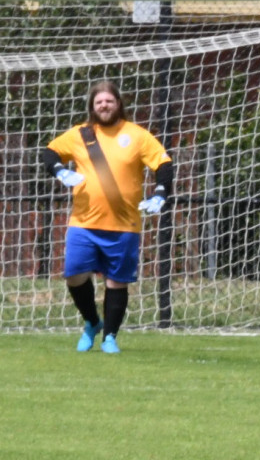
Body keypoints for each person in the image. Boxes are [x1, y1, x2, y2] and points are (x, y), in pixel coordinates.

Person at [41, 79, 171, 355]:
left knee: (117, 281)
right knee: (75, 275)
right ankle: (92, 322)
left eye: (109, 101)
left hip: (124, 224)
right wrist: (59, 171)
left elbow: (163, 163)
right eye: (99, 101)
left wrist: (160, 193)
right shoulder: (81, 134)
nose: (104, 105)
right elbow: (49, 152)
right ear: (92, 106)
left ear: (118, 104)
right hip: (84, 223)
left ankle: (110, 336)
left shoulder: (136, 135)